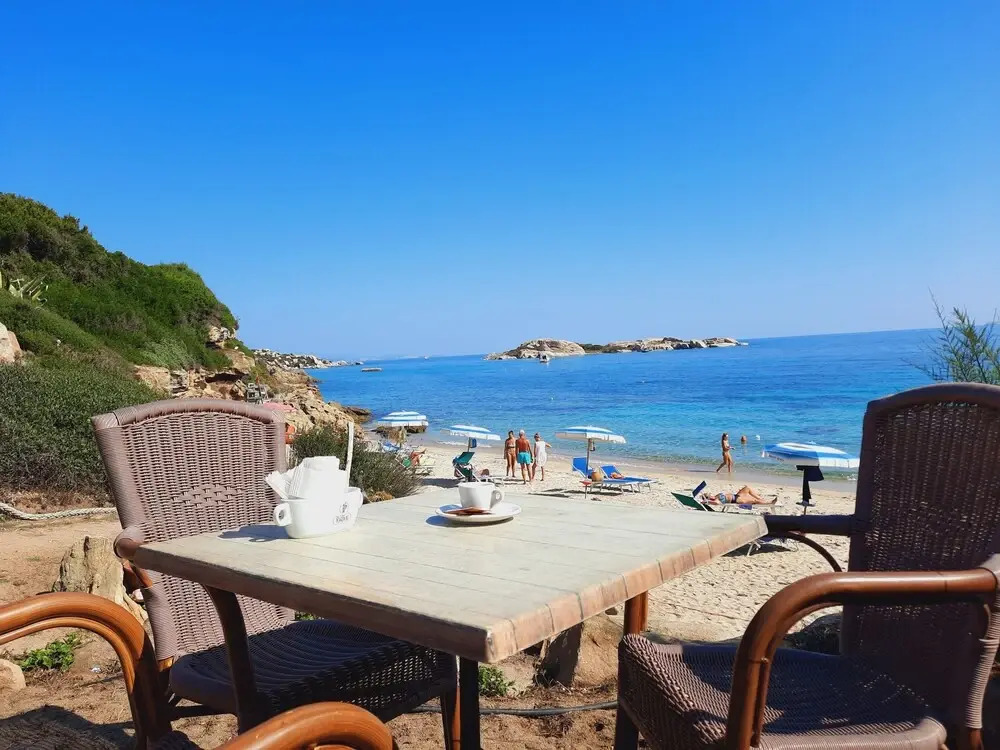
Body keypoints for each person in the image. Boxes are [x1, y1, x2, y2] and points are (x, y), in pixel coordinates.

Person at [703, 485, 777, 506]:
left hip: (736, 495)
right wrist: (707, 501)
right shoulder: (716, 500)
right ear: (709, 498)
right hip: (737, 500)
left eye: (710, 494)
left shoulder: (716, 496)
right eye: (709, 496)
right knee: (754, 501)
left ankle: (761, 499)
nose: (711, 495)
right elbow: (717, 503)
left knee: (747, 488)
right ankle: (770, 502)